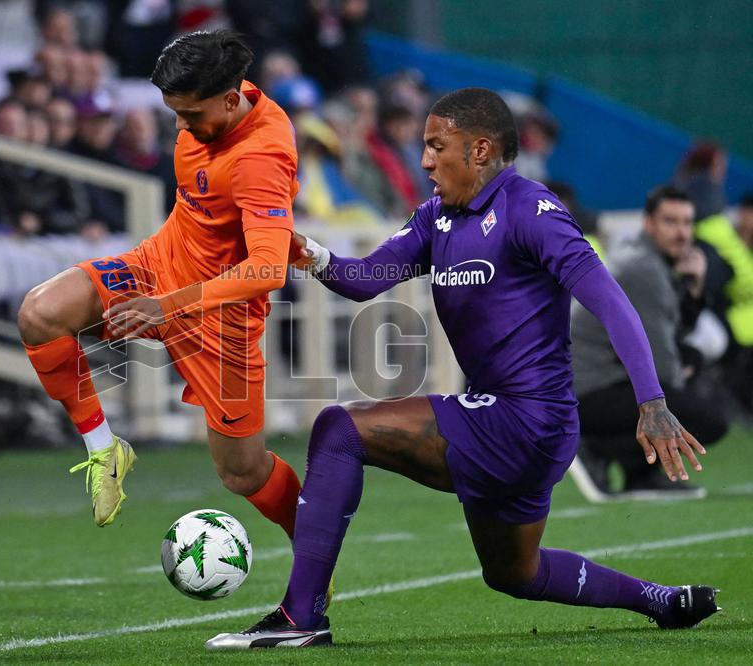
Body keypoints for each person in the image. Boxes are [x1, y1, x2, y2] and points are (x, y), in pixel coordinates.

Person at [205, 88, 720, 649]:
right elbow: (365, 280)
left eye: (435, 146)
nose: (424, 160)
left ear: (479, 150)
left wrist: (652, 401)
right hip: (512, 425)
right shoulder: (436, 218)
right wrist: (310, 253)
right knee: (513, 574)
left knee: (339, 431)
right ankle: (660, 601)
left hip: (529, 419)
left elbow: (610, 301)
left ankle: (301, 616)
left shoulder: (531, 210)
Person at [18, 31, 305, 546]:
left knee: (243, 473)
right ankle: (106, 451)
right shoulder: (217, 89)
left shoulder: (260, 158)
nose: (180, 125)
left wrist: (164, 307)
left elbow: (266, 270)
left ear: (230, 99)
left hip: (221, 321)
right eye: (173, 112)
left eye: (190, 115)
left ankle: (312, 549)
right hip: (156, 266)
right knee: (40, 313)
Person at [570, 186, 728, 501]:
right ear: (648, 224)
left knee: (689, 367)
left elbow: (666, 334)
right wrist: (687, 367)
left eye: (687, 223)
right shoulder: (644, 270)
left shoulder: (644, 257)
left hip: (590, 384)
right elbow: (662, 368)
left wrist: (693, 295)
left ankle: (641, 473)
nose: (682, 233)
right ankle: (591, 445)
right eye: (671, 222)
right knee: (707, 420)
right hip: (582, 394)